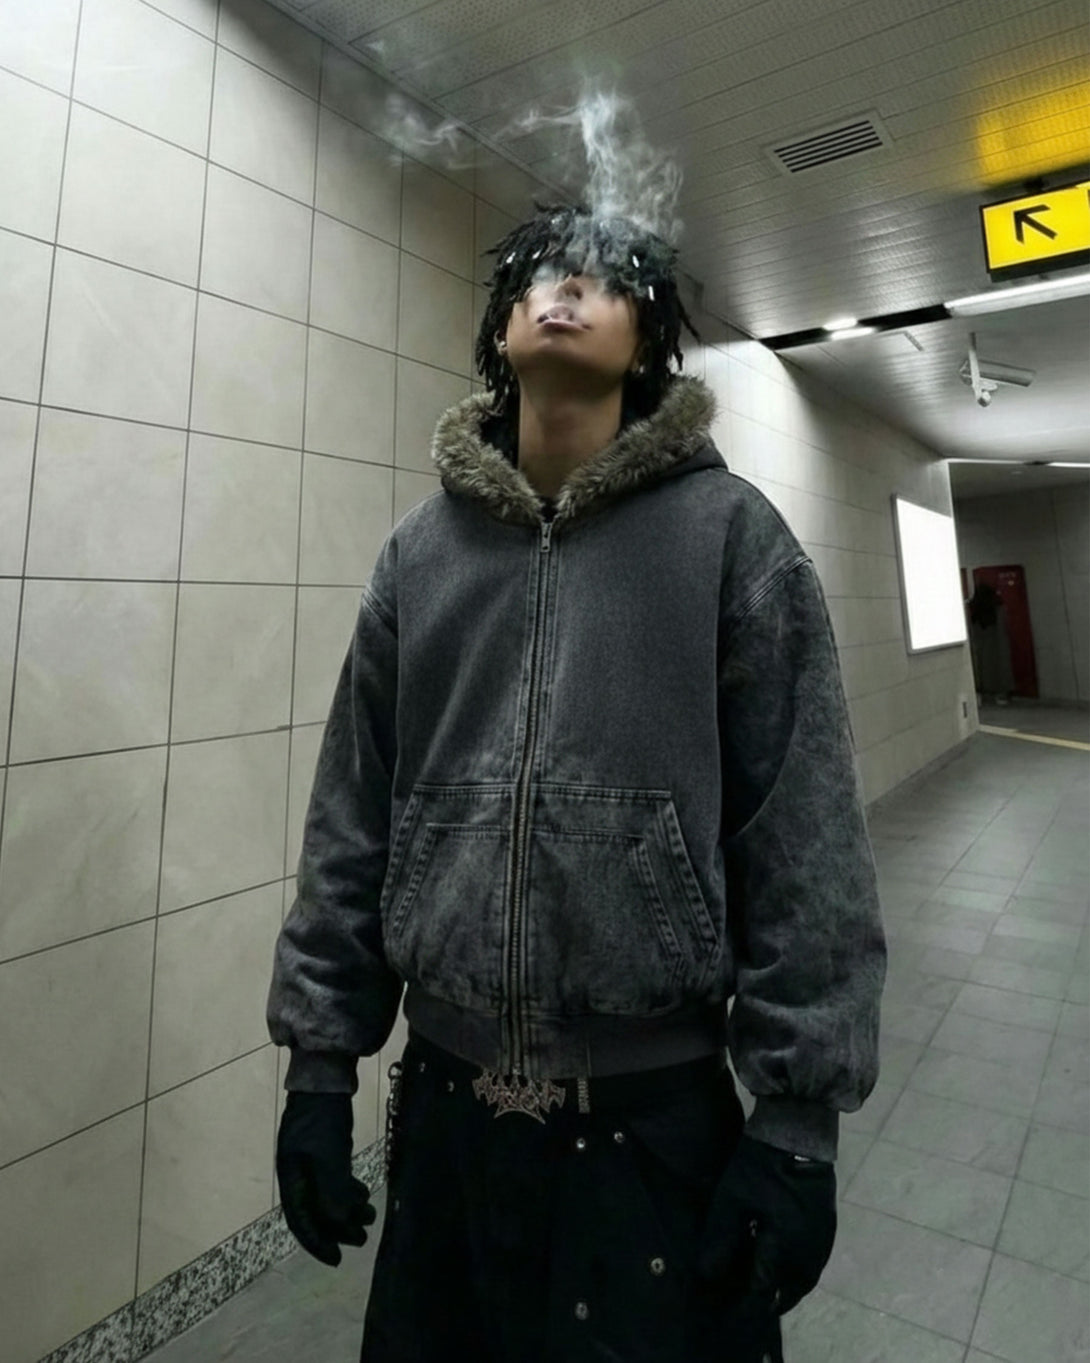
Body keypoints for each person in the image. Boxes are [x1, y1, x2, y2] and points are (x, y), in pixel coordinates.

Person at [266, 202, 887, 1363]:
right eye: (539, 274)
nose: (563, 288)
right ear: (501, 327)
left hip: (652, 1122)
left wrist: (796, 1123)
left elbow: (800, 833)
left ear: (647, 338)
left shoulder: (730, 538)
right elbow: (353, 813)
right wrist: (318, 1067)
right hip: (446, 1111)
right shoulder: (419, 554)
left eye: (603, 278)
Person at [967, 580, 1014, 706]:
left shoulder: (974, 609)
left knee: (982, 669)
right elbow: (1003, 627)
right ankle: (1000, 695)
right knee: (998, 668)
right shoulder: (997, 606)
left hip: (979, 644)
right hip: (997, 644)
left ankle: (982, 695)